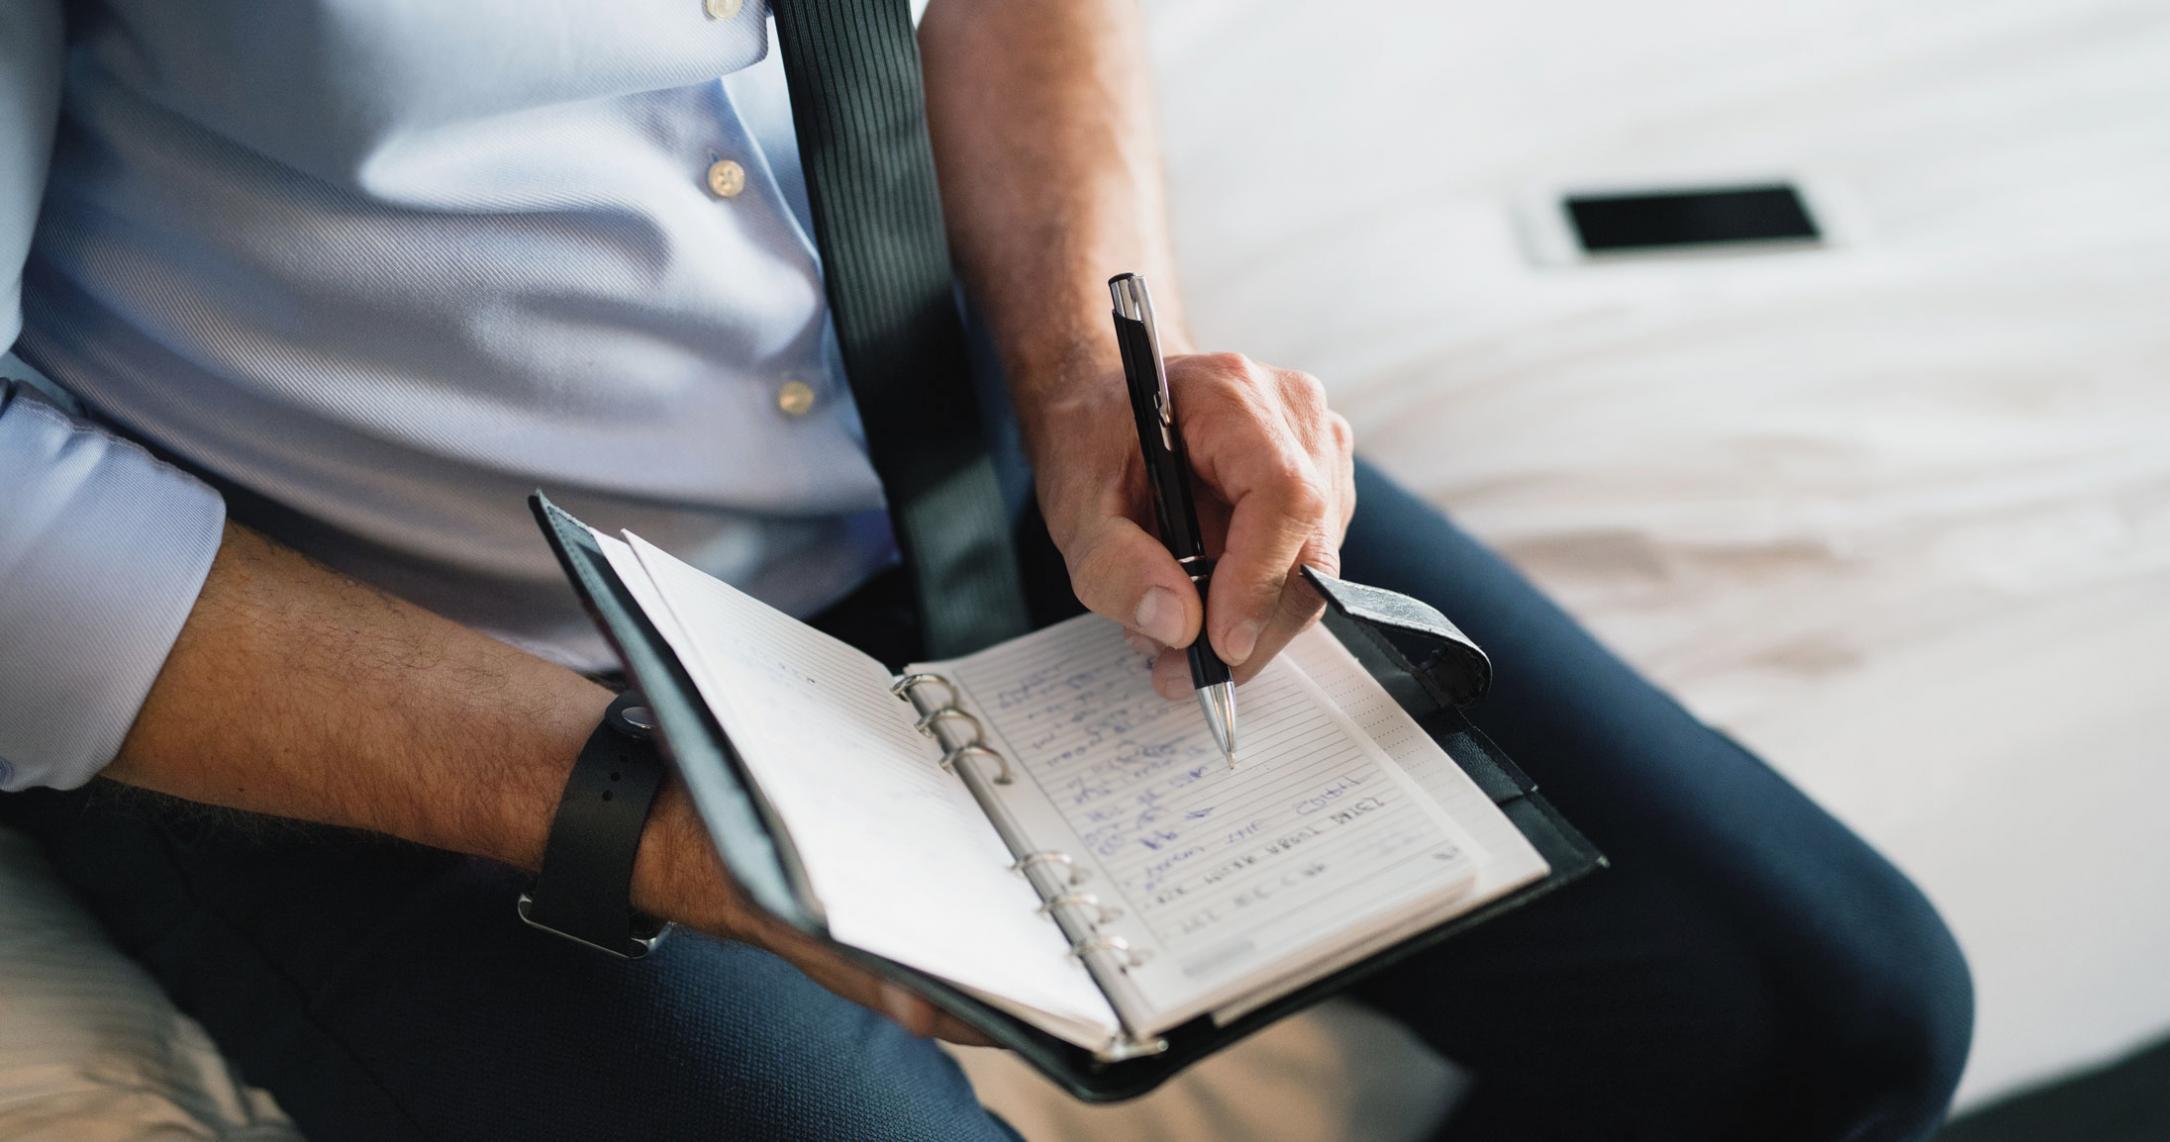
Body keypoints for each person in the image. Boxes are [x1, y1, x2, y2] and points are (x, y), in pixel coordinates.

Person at [0, 2, 1971, 1139]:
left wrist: (1085, 381)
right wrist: (663, 825)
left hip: (964, 457)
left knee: (1829, 1013)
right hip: (369, 658)